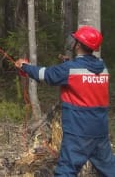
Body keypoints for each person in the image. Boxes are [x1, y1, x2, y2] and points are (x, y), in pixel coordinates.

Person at [15, 25, 115, 177]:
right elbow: (84, 79)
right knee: (109, 171)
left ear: (79, 45)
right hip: (99, 131)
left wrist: (25, 66)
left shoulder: (70, 69)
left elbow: (45, 74)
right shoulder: (102, 68)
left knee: (66, 171)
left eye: (75, 41)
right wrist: (68, 63)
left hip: (78, 131)